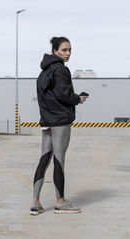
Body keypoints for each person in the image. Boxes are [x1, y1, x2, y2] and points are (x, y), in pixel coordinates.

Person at [30, 36, 88, 215]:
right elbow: (64, 95)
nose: (68, 53)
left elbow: (50, 96)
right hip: (60, 121)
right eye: (64, 50)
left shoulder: (43, 72)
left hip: (46, 121)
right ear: (55, 51)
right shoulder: (61, 70)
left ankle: (35, 202)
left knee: (44, 159)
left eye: (70, 50)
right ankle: (60, 202)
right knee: (59, 160)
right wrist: (78, 98)